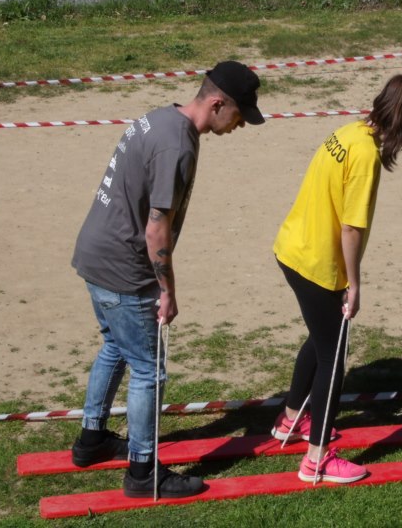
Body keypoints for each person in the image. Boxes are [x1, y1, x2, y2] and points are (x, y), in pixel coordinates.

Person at [70, 61, 266, 498]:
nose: (240, 126)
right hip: (124, 267)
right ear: (218, 104)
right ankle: (142, 472)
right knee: (148, 371)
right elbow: (156, 229)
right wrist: (166, 290)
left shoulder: (160, 117)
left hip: (96, 253)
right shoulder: (179, 146)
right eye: (239, 115)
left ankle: (91, 439)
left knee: (116, 347)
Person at [271, 75, 402, 484]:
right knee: (334, 353)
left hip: (292, 248)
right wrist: (354, 283)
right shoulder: (366, 156)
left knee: (321, 335)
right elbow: (351, 229)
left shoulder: (348, 131)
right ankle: (317, 460)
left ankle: (290, 419)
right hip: (315, 263)